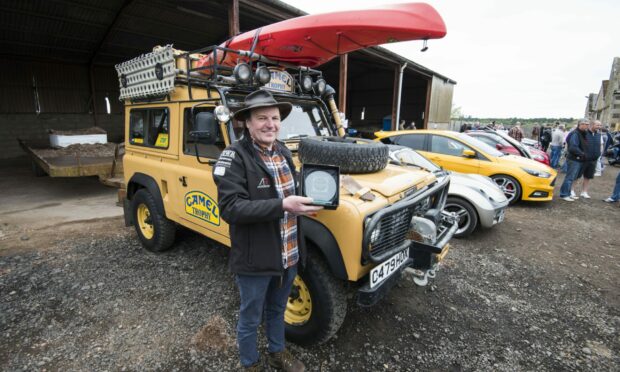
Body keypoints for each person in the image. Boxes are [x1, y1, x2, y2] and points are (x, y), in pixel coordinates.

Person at [213, 90, 321, 371]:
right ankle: (250, 364)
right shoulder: (233, 157)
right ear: (246, 123)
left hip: (289, 253)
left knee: (277, 309)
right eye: (262, 118)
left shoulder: (283, 151)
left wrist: (320, 193)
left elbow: (294, 192)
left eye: (274, 118)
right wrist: (283, 205)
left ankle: (277, 352)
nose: (270, 124)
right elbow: (231, 209)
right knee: (250, 316)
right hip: (255, 258)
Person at [559, 119, 589, 201]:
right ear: (580, 124)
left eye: (588, 124)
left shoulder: (582, 133)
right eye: (586, 124)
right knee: (570, 177)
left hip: (579, 159)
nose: (587, 126)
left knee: (573, 177)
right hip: (574, 159)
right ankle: (564, 194)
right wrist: (583, 154)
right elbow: (573, 147)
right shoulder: (575, 134)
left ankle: (568, 193)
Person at [576, 120, 602, 199]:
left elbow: (601, 144)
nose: (599, 127)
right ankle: (572, 190)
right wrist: (582, 154)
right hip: (584, 159)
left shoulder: (599, 134)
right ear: (592, 125)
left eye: (600, 125)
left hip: (593, 159)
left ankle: (584, 192)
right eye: (597, 125)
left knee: (588, 177)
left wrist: (599, 154)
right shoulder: (584, 133)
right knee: (577, 176)